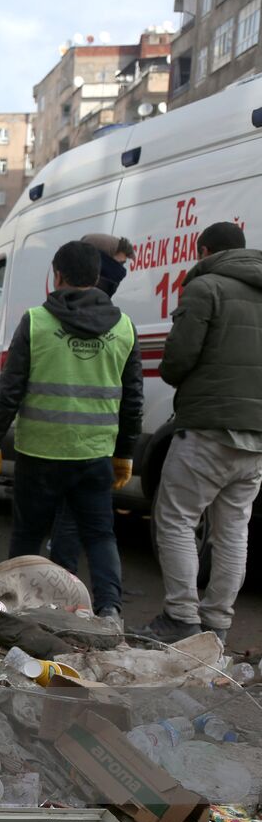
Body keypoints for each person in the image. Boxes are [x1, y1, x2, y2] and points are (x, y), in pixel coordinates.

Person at [0, 241, 144, 624]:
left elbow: (10, 391)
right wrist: (125, 452)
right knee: (100, 535)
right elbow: (132, 398)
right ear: (96, 276)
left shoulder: (37, 321)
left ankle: (14, 612)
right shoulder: (123, 326)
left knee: (27, 538)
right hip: (94, 454)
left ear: (57, 276)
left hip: (40, 453)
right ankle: (109, 611)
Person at [138, 222, 262, 644]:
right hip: (257, 437)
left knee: (174, 520)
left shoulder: (205, 287)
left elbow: (176, 361)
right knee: (233, 530)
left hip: (207, 429)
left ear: (205, 250)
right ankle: (217, 624)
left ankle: (180, 617)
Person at [48, 233, 136, 571]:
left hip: (55, 442)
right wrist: (125, 448)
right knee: (95, 529)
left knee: (63, 522)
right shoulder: (118, 321)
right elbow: (132, 394)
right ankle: (99, 602)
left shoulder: (49, 314)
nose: (121, 275)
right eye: (118, 265)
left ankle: (57, 588)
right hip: (96, 441)